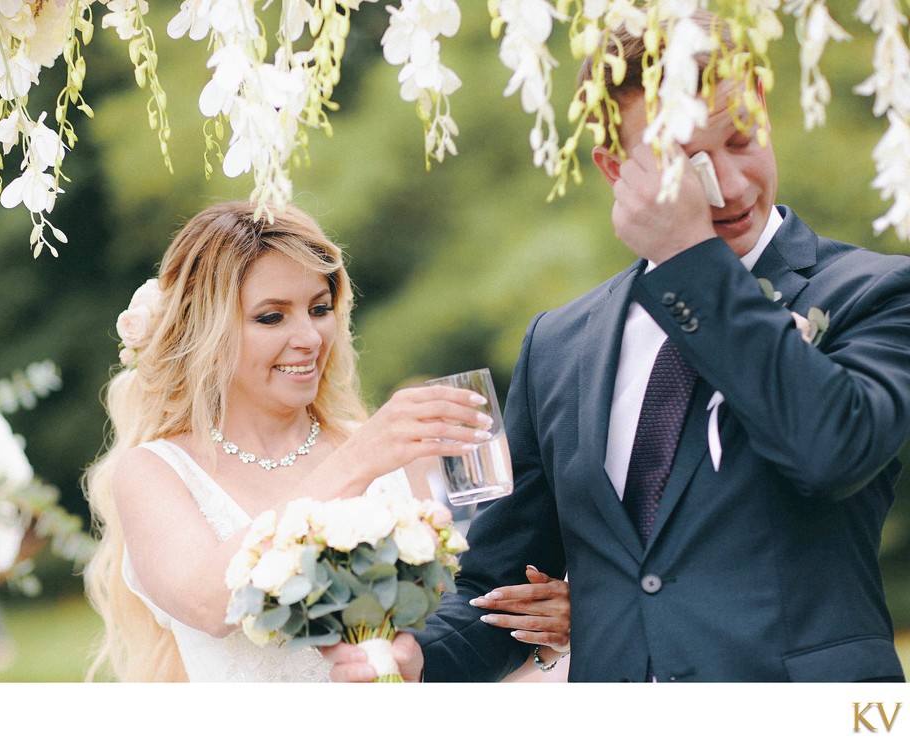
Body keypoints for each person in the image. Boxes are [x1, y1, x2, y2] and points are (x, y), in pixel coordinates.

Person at [325, 9, 910, 682]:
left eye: (742, 140)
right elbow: (502, 586)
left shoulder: (877, 290)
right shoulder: (560, 343)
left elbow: (831, 451)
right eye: (686, 160)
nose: (730, 184)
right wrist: (416, 657)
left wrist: (692, 255)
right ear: (615, 168)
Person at [82, 201, 569, 681]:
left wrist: (537, 634)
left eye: (319, 309)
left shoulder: (382, 453)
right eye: (272, 317)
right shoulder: (157, 470)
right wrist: (357, 462)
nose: (310, 338)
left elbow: (434, 645)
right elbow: (209, 604)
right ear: (204, 329)